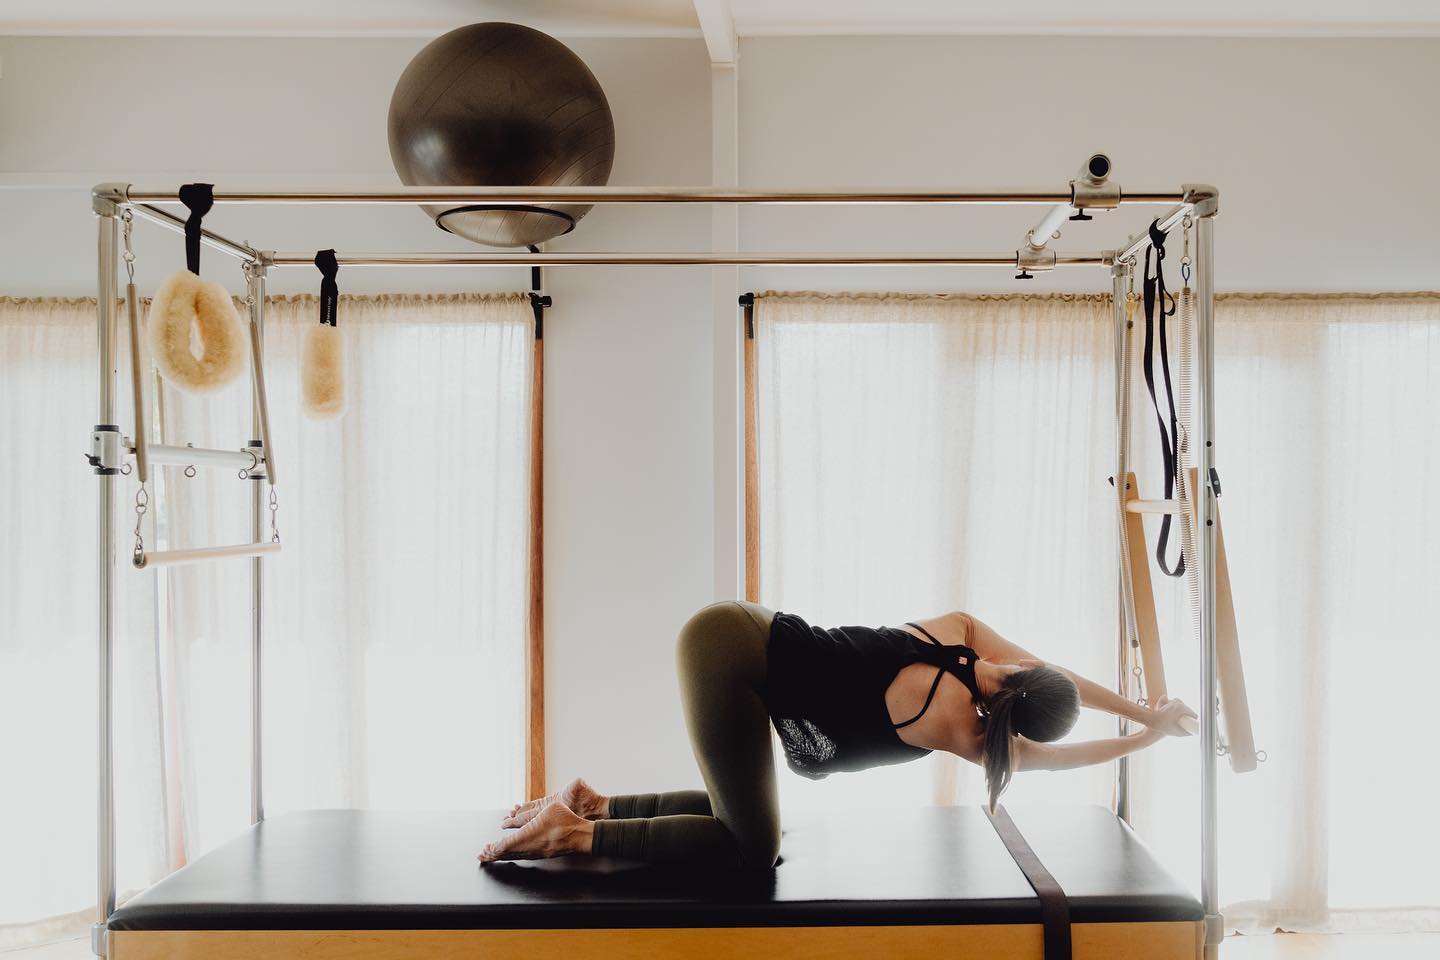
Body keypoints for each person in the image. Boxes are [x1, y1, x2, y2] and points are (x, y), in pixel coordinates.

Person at [479, 601, 1196, 867]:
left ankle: (594, 804)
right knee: (750, 847)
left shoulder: (965, 634)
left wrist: (1145, 713)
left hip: (733, 629)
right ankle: (569, 835)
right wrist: (1144, 736)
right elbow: (1058, 756)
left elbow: (1054, 675)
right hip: (732, 660)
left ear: (1021, 673)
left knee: (745, 809)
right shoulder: (964, 731)